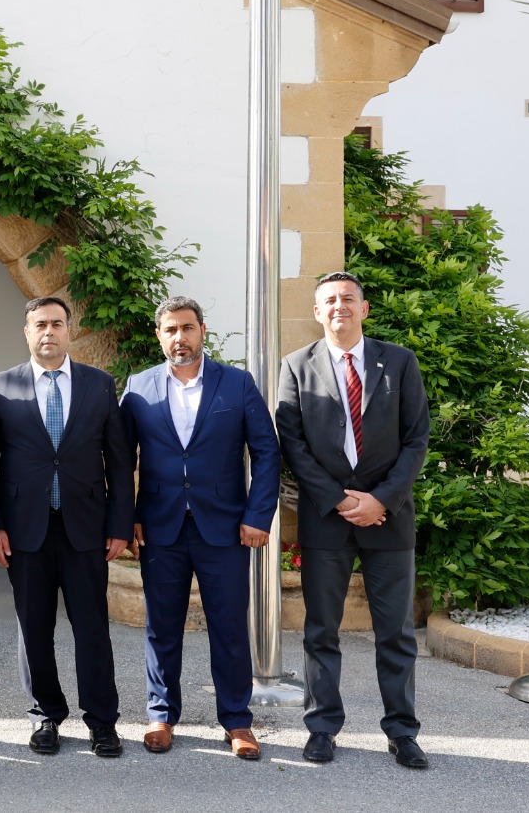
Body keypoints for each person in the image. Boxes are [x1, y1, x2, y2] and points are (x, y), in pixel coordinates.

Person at [276, 271, 431, 769]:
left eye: (348, 298)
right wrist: (339, 500)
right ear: (317, 312)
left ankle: (402, 732)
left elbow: (416, 439)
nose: (339, 306)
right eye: (329, 300)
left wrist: (381, 499)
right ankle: (321, 728)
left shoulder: (400, 362)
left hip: (389, 518)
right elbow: (292, 444)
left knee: (396, 633)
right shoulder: (296, 365)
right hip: (326, 519)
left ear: (363, 309)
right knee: (321, 629)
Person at [119, 296, 281, 759]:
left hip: (225, 528)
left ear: (202, 331)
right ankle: (160, 715)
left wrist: (257, 516)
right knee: (161, 627)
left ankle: (237, 720)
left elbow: (266, 452)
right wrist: (127, 518)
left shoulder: (237, 383)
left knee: (229, 627)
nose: (180, 337)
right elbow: (120, 458)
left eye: (187, 328)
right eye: (170, 329)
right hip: (160, 527)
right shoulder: (139, 387)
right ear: (159, 336)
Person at [0, 295, 133, 757]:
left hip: (85, 528)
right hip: (24, 530)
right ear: (26, 332)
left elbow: (119, 461)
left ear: (69, 330)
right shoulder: (0, 385)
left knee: (92, 628)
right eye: (40, 324)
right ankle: (45, 715)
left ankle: (102, 722)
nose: (48, 331)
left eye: (56, 323)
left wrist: (120, 525)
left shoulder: (98, 385)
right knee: (34, 628)